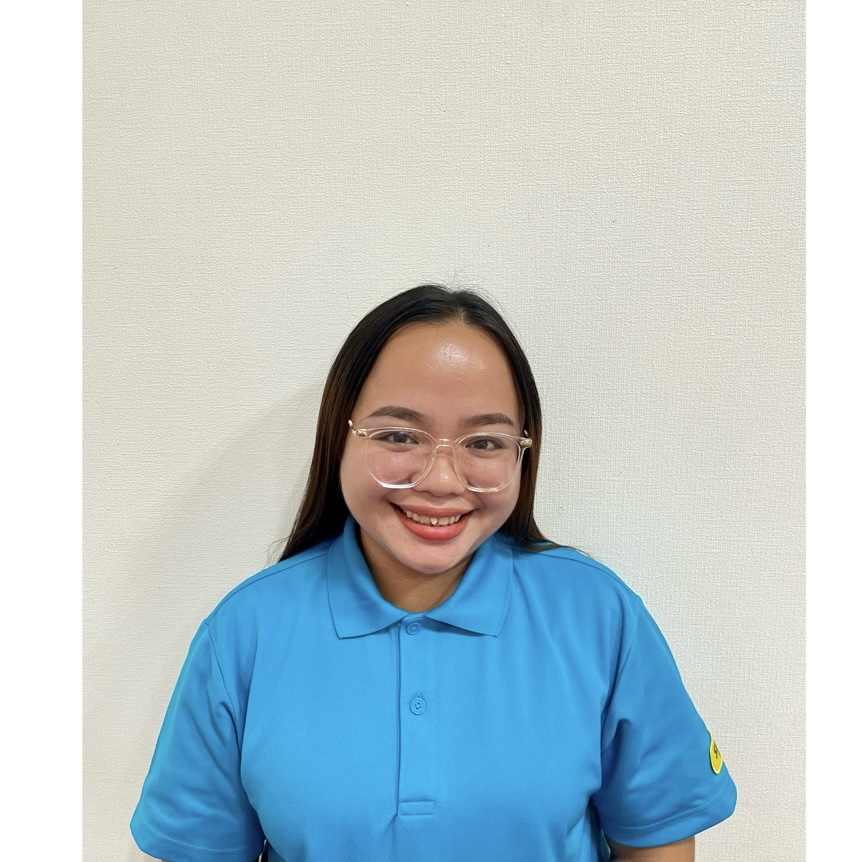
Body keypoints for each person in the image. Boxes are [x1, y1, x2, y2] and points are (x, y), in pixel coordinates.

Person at [131, 285, 736, 862]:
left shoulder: (597, 616)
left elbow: (656, 841)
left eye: (484, 442)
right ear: (339, 436)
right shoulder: (244, 634)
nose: (442, 480)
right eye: (399, 435)